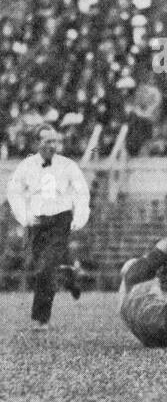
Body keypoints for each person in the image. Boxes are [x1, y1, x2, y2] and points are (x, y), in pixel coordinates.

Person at [5, 126, 90, 331]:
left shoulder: (67, 166)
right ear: (37, 143)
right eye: (47, 141)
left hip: (60, 220)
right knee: (42, 266)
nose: (52, 145)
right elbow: (14, 191)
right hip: (37, 222)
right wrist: (24, 216)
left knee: (46, 267)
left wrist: (80, 216)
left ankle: (41, 319)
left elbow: (81, 192)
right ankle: (71, 276)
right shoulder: (26, 166)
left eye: (55, 141)